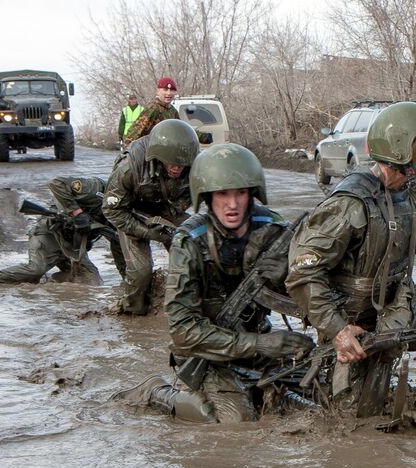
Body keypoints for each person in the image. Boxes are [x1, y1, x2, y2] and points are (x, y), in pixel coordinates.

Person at [285, 102, 416, 422]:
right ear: (399, 145)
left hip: (402, 307)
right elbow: (302, 274)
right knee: (356, 422)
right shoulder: (349, 203)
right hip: (356, 328)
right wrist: (338, 331)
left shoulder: (413, 192)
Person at [112, 143, 315, 423]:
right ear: (206, 197)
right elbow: (182, 330)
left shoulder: (274, 230)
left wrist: (289, 278)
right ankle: (157, 392)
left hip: (258, 339)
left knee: (316, 391)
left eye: (240, 193)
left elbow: (313, 294)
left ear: (253, 194)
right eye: (222, 194)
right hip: (208, 353)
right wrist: (259, 344)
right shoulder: (189, 242)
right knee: (234, 422)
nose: (232, 205)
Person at [103, 119, 200, 315]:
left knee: (194, 250)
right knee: (141, 272)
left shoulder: (195, 166)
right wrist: (147, 232)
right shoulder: (129, 167)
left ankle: (188, 306)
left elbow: (198, 199)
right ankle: (132, 313)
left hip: (167, 209)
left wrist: (174, 229)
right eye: (172, 164)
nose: (177, 169)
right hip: (131, 212)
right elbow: (112, 209)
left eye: (182, 165)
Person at [0, 176, 126, 287]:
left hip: (72, 248)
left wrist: (126, 278)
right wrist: (77, 213)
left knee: (92, 283)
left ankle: (54, 282)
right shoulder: (94, 188)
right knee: (35, 270)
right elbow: (56, 183)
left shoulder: (118, 211)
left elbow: (117, 244)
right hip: (49, 234)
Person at [123, 76, 212, 146]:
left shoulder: (172, 111)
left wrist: (203, 137)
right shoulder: (153, 109)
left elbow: (182, 130)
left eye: (172, 90)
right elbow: (131, 137)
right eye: (165, 90)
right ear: (158, 91)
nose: (168, 93)